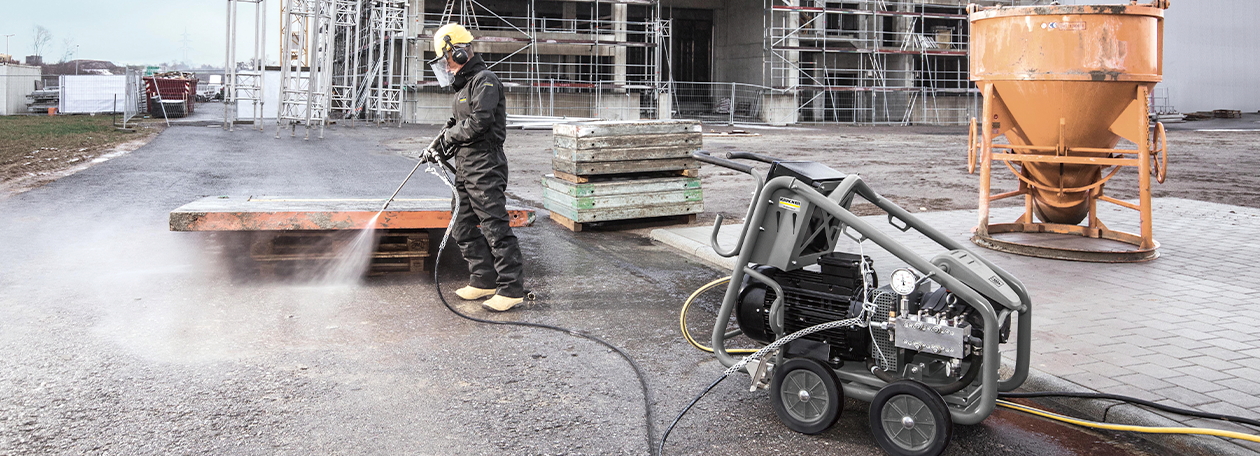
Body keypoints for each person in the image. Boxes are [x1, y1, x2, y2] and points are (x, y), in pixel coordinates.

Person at [428, 23, 526, 312]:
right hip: (465, 165)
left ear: (458, 53)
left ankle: (511, 288)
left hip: (485, 164)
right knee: (461, 224)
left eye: (446, 58)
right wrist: (438, 145)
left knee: (494, 225)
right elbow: (456, 126)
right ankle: (483, 278)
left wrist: (449, 136)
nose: (446, 66)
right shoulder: (463, 89)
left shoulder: (485, 81)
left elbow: (479, 123)